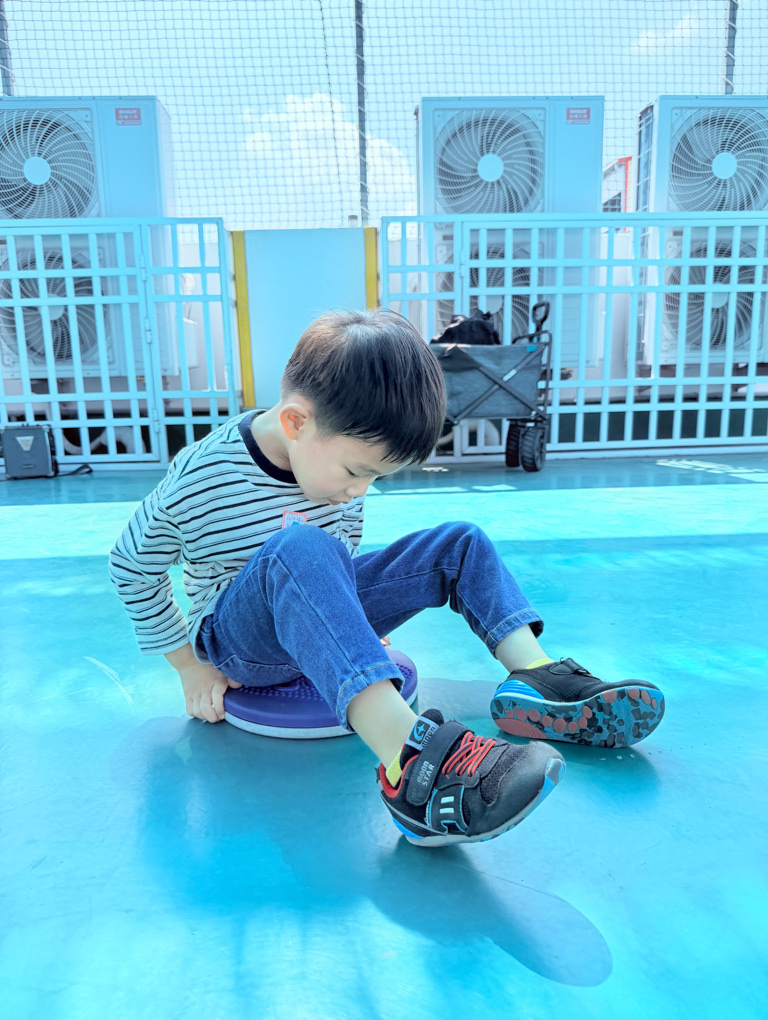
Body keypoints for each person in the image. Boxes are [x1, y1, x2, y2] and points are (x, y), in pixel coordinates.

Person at [109, 308, 664, 848]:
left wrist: (349, 626)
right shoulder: (204, 475)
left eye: (376, 478)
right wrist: (188, 665)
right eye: (357, 472)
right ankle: (409, 765)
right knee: (299, 546)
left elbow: (340, 555)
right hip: (242, 644)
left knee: (458, 542)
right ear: (296, 423)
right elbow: (131, 564)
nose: (359, 491)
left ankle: (537, 680)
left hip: (310, 607)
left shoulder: (329, 460)